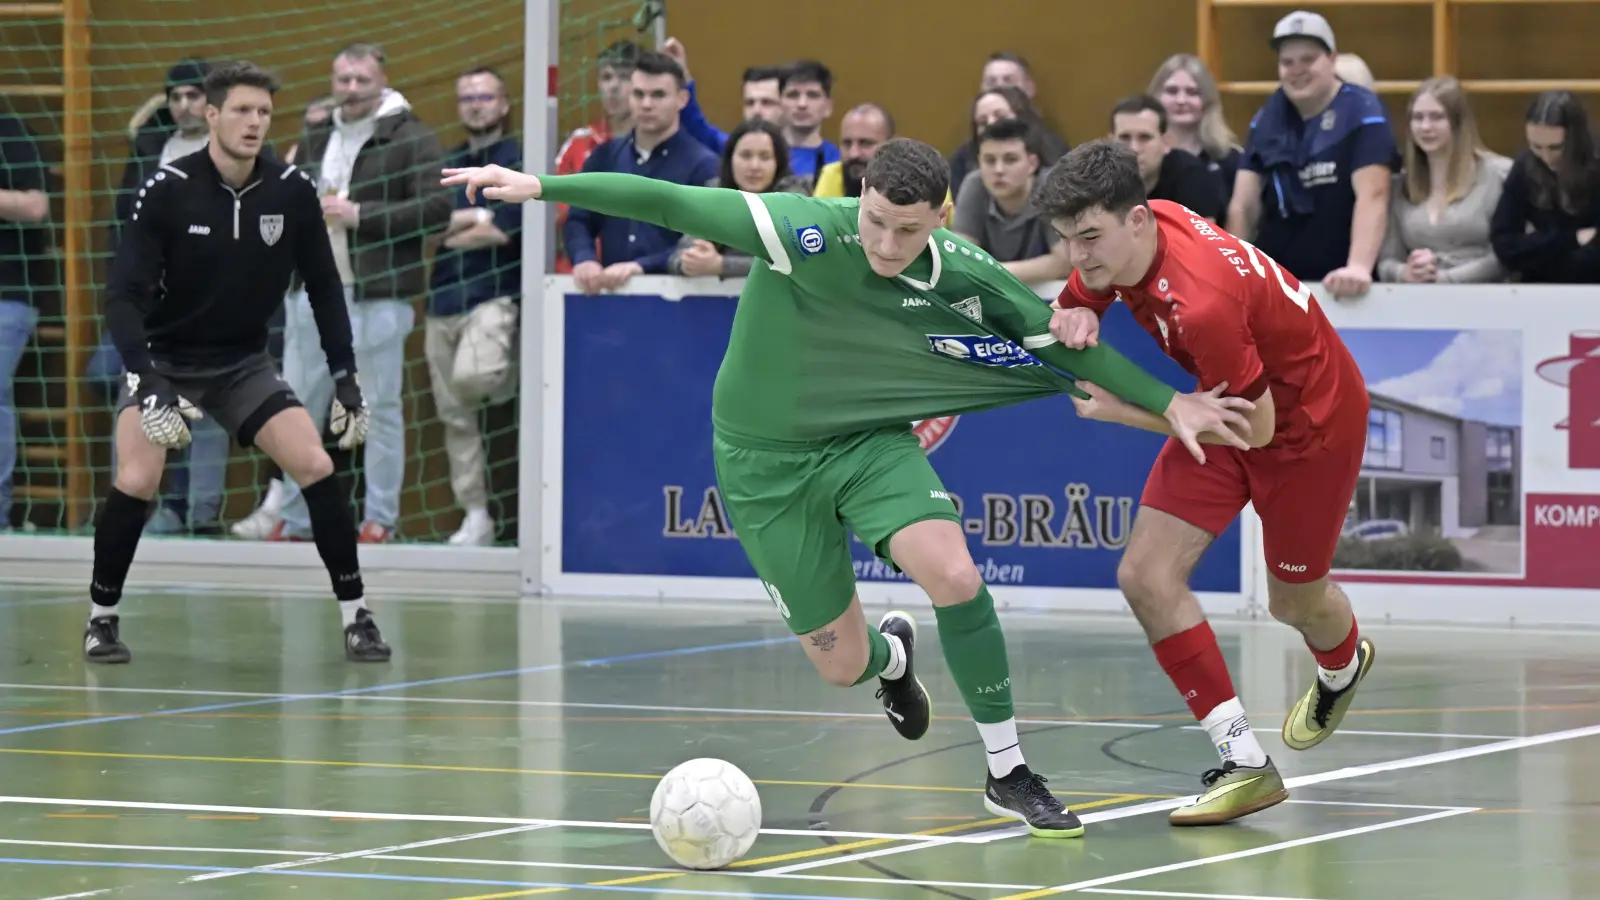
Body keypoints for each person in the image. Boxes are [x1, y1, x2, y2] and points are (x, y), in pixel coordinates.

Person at [442, 139, 1251, 839]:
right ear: (858, 198)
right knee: (841, 665)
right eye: (875, 222)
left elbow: (1076, 360)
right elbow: (663, 199)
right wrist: (543, 187)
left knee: (959, 578)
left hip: (869, 446)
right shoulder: (802, 231)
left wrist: (1171, 399)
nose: (887, 243)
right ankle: (892, 657)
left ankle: (1008, 771)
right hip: (762, 468)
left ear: (940, 215)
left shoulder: (968, 274)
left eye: (909, 228)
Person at [1034, 139, 1377, 826]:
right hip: (1225, 402)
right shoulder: (1132, 234)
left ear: (1137, 221)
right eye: (1067, 239)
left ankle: (1342, 664)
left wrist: (1129, 411)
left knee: (1294, 604)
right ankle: (1247, 764)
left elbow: (1254, 434)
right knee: (1146, 576)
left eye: (1090, 238)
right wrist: (1079, 309)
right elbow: (1086, 292)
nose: (1079, 257)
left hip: (1305, 427)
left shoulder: (1203, 304)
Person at [89, 60, 392, 665]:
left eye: (263, 114)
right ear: (212, 114)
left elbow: (325, 287)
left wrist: (345, 378)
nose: (255, 123)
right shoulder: (167, 188)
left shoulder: (291, 190)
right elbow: (122, 296)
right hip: (163, 359)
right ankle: (101, 620)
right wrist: (148, 383)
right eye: (243, 111)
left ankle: (356, 615)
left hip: (240, 364)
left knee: (314, 462)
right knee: (138, 480)